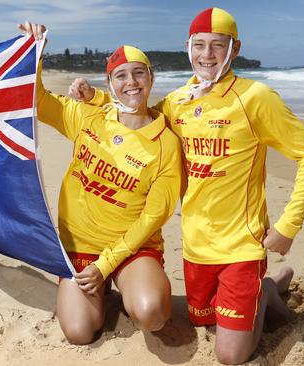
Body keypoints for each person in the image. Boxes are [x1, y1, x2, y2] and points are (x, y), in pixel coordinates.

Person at [68, 8, 304, 364]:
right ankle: (265, 290)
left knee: (230, 355)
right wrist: (95, 98)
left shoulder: (255, 98)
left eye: (217, 46)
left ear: (234, 49)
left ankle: (263, 289)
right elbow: (139, 109)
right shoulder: (178, 102)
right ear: (188, 47)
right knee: (202, 323)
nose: (207, 55)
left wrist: (288, 226)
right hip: (196, 249)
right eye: (200, 45)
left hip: (241, 245)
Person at [17, 22, 182, 345]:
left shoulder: (165, 144)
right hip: (80, 249)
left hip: (131, 250)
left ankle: (126, 283)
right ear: (110, 82)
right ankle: (102, 292)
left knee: (152, 314)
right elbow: (37, 101)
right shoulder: (89, 116)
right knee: (79, 332)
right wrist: (34, 53)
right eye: (121, 76)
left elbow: (153, 218)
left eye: (139, 73)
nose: (131, 82)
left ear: (151, 78)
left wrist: (106, 265)